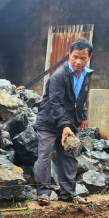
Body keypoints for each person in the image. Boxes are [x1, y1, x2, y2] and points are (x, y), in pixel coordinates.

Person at [34, 38, 94, 205]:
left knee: (69, 156)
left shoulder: (87, 75)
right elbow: (55, 103)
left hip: (68, 123)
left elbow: (81, 98)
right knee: (45, 155)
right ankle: (44, 193)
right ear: (69, 55)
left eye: (83, 58)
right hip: (49, 122)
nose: (78, 62)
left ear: (89, 57)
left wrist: (83, 115)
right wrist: (65, 126)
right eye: (75, 57)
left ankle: (68, 194)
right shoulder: (59, 76)